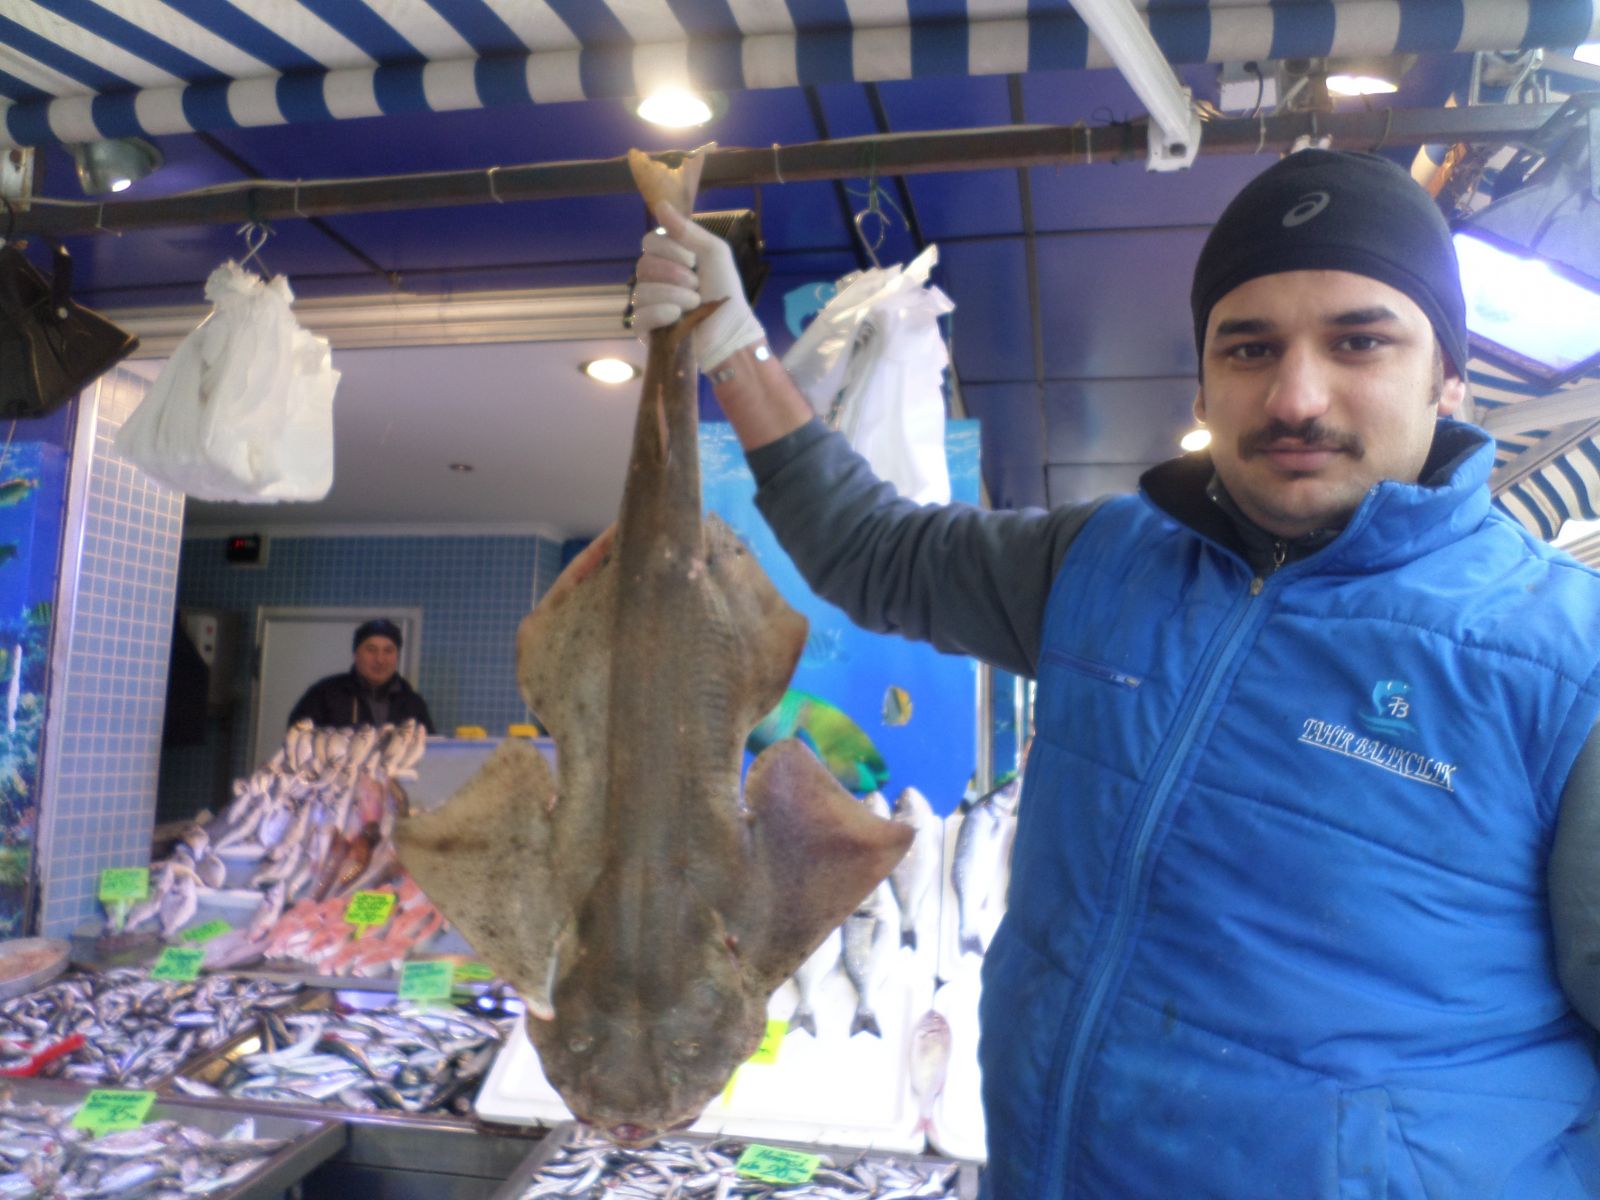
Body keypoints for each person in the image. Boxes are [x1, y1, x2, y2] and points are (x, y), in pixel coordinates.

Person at [631, 149, 1600, 1198]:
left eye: (1360, 340)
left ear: (1445, 378)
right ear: (1202, 380)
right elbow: (873, 549)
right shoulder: (1103, 561)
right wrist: (732, 348)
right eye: (1248, 347)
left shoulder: (1564, 656)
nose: (1295, 394)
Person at [287, 617, 435, 733]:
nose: (380, 659)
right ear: (356, 654)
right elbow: (297, 739)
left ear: (397, 657)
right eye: (371, 650)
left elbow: (429, 752)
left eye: (388, 651)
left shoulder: (413, 704)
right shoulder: (324, 695)